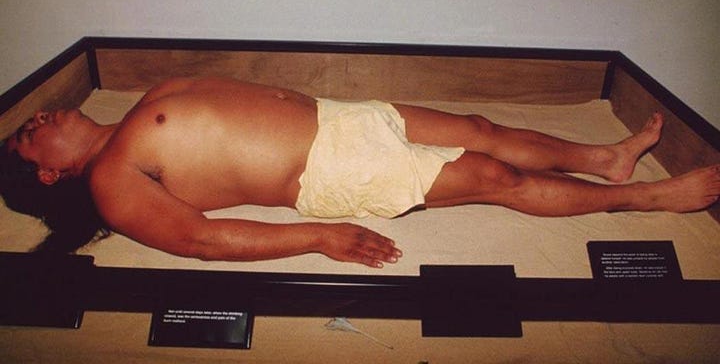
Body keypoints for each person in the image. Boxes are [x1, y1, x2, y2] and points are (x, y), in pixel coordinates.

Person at [1, 77, 718, 268]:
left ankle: (605, 158)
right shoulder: (112, 179)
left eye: (29, 121)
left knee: (480, 129)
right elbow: (200, 239)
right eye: (28, 138)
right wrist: (318, 238)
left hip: (340, 117)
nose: (38, 120)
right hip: (329, 166)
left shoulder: (135, 111)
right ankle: (650, 196)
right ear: (47, 177)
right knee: (492, 176)